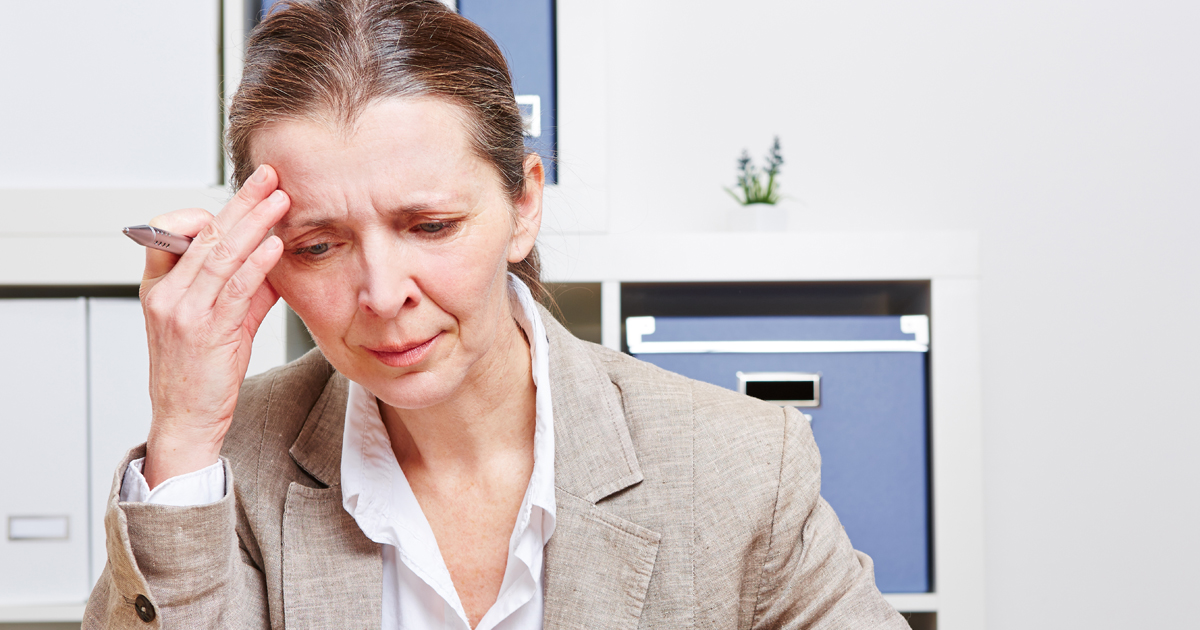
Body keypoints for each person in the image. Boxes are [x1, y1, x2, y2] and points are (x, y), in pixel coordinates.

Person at [85, 1, 909, 628]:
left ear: (523, 205)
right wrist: (183, 428)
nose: (382, 294)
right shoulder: (218, 471)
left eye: (430, 226)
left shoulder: (739, 466)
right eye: (318, 245)